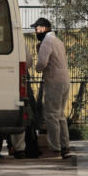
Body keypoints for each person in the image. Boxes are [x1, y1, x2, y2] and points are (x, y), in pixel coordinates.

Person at [31, 17, 71, 159]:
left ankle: (55, 149)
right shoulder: (58, 41)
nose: (35, 32)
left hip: (54, 81)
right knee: (60, 115)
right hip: (65, 80)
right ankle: (65, 147)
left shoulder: (47, 41)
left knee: (51, 115)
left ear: (43, 28)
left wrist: (36, 68)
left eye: (36, 29)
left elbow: (42, 63)